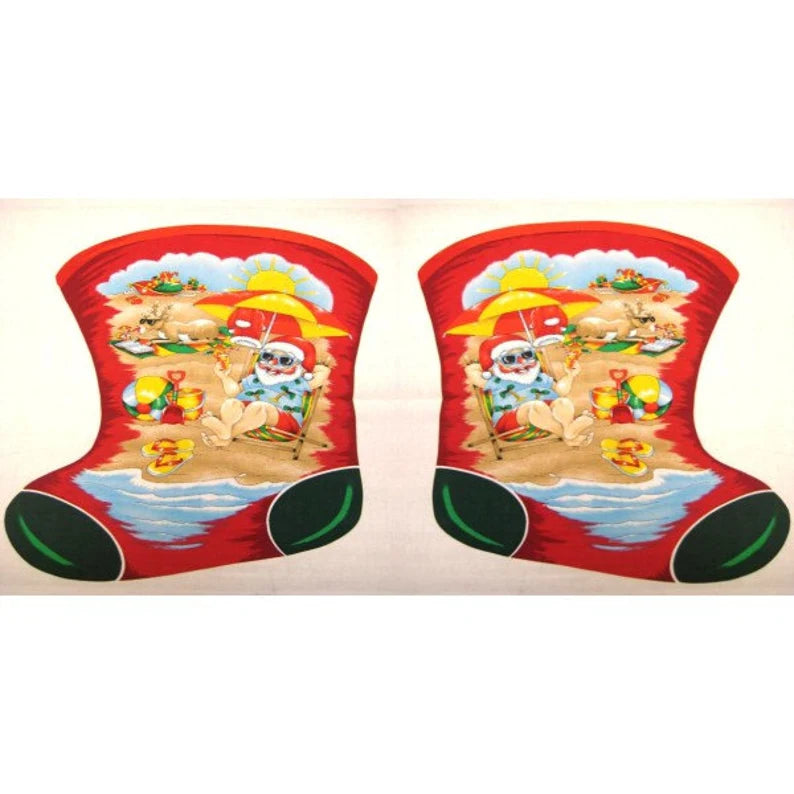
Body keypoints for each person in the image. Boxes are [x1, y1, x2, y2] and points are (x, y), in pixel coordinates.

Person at [465, 335, 594, 447]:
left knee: (563, 402)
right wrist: (482, 367)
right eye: (509, 359)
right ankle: (566, 434)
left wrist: (570, 375)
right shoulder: (496, 380)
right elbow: (472, 374)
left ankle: (569, 432)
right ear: (495, 365)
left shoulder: (539, 377)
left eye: (527, 355)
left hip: (546, 415)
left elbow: (561, 391)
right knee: (536, 406)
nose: (521, 362)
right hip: (509, 420)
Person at [201, 336, 329, 448]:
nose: (272, 363)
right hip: (248, 414)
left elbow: (323, 373)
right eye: (267, 356)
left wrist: (309, 368)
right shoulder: (255, 378)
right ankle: (225, 431)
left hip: (285, 419)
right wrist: (224, 376)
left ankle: (227, 435)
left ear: (300, 366)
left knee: (258, 407)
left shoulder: (298, 381)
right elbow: (233, 392)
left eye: (285, 360)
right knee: (231, 403)